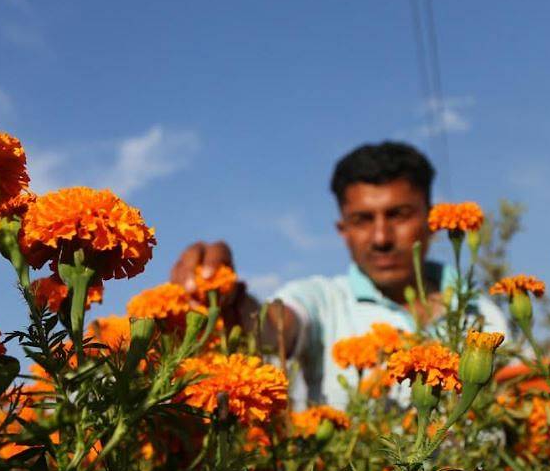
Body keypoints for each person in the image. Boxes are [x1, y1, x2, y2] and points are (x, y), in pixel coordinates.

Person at [170, 141, 508, 410]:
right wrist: (230, 299)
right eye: (362, 219)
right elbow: (278, 324)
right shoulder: (323, 300)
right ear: (342, 229)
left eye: (398, 215)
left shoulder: (482, 314)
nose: (381, 238)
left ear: (430, 220)